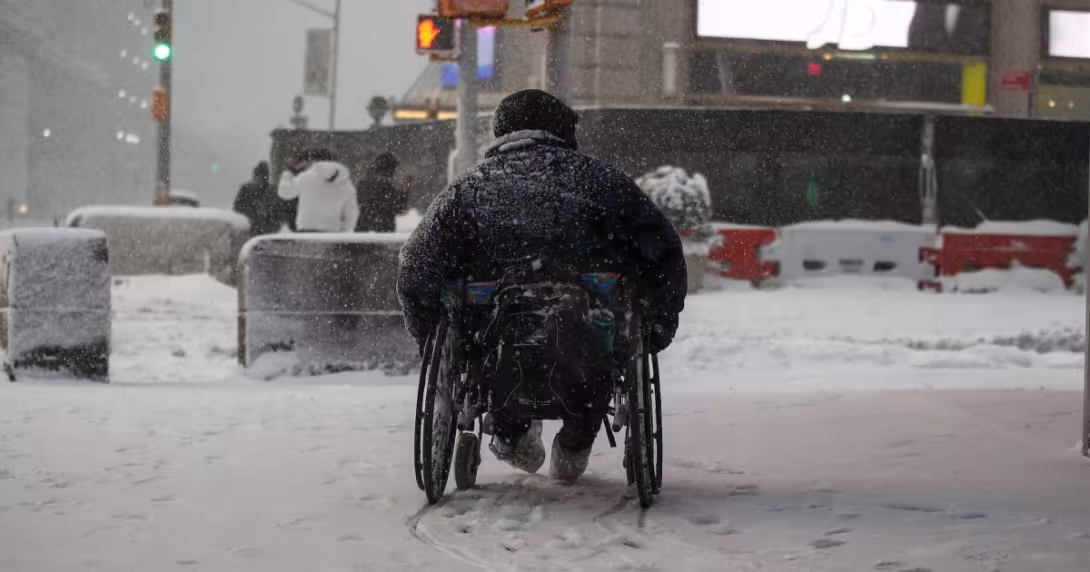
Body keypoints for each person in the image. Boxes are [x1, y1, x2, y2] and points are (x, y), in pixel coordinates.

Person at [397, 89, 686, 483]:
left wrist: (429, 330)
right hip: (588, 338)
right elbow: (662, 251)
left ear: (501, 132)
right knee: (596, 346)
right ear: (563, 132)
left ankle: (513, 435)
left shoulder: (469, 190)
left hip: (496, 342)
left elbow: (417, 266)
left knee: (493, 348)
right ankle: (576, 441)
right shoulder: (600, 181)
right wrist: (658, 326)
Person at [277, 149, 359, 233]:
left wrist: (289, 172)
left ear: (313, 161)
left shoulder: (306, 177)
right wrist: (343, 233)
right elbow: (351, 214)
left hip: (306, 230)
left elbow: (284, 192)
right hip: (332, 232)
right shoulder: (346, 184)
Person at [355, 152, 408, 233]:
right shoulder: (387, 187)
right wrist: (404, 192)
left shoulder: (363, 184)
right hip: (383, 231)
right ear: (391, 169)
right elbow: (399, 209)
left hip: (362, 231)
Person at [233, 161, 287, 236]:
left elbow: (237, 207)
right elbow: (281, 214)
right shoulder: (272, 191)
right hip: (266, 232)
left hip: (255, 230)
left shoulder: (246, 188)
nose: (261, 179)